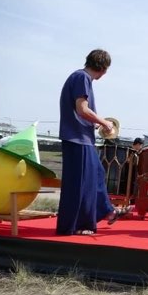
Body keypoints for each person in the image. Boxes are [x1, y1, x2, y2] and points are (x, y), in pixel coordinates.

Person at [56, 49, 127, 236]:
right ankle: (77, 225)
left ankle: (106, 211)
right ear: (103, 68)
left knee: (95, 174)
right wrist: (104, 122)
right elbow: (82, 109)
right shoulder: (82, 78)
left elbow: (80, 112)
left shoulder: (79, 77)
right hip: (77, 138)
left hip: (81, 137)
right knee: (79, 183)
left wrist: (94, 124)